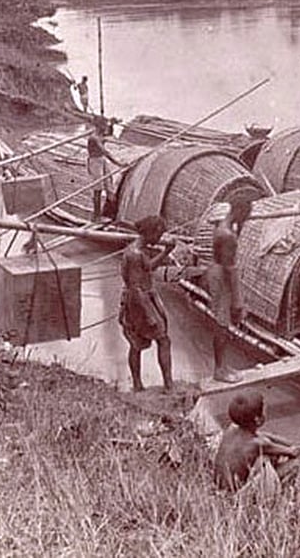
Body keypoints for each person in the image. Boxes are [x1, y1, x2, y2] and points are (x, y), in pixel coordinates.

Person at [213, 390, 300, 494]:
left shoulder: (232, 428)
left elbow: (265, 436)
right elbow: (293, 452)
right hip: (235, 495)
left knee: (266, 456)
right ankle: (292, 493)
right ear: (258, 419)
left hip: (220, 486)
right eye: (264, 408)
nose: (266, 410)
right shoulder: (256, 444)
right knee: (299, 462)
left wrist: (296, 444)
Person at [119, 215, 175, 392]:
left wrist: (166, 252)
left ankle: (138, 385)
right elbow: (136, 288)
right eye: (158, 235)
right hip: (139, 302)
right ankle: (168, 385)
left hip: (140, 300)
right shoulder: (135, 254)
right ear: (150, 233)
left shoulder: (137, 251)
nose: (159, 239)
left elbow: (148, 268)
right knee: (162, 340)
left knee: (136, 344)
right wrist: (150, 314)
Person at [206, 198, 254, 383]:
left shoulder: (224, 227)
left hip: (219, 272)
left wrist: (239, 225)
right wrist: (237, 300)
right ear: (240, 210)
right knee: (222, 324)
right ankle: (219, 370)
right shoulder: (226, 235)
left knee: (223, 323)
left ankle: (223, 366)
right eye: (246, 215)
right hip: (222, 276)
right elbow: (230, 269)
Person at [86, 114, 124, 221]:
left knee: (109, 184)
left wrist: (112, 124)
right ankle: (96, 216)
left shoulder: (101, 134)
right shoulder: (94, 138)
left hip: (101, 160)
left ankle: (109, 212)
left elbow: (109, 133)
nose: (105, 127)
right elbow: (105, 152)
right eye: (104, 125)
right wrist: (118, 163)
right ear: (98, 126)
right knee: (97, 188)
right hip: (95, 162)